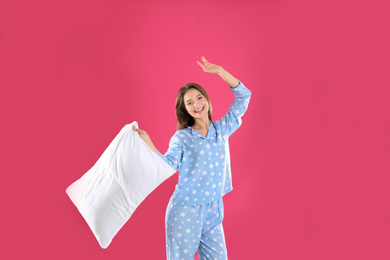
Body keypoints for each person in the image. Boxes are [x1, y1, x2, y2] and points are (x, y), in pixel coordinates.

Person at [133, 56, 251, 260]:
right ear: (185, 110)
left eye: (199, 98)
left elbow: (244, 97)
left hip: (213, 208)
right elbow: (168, 164)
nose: (196, 104)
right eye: (189, 102)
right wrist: (148, 141)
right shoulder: (182, 138)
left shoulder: (221, 130)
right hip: (185, 211)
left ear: (206, 99)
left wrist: (221, 71)